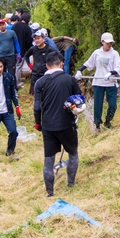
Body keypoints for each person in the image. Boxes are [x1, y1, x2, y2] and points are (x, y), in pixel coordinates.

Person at [34, 51, 83, 197]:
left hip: (48, 126)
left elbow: (37, 107)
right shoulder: (69, 79)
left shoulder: (40, 83)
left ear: (47, 66)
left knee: (48, 159)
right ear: (61, 63)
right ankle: (71, 183)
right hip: (66, 124)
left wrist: (38, 123)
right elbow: (79, 99)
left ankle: (50, 192)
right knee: (73, 153)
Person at [75, 32, 120, 131]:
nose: (109, 45)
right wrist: (79, 70)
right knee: (98, 105)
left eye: (111, 43)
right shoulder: (97, 53)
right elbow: (89, 63)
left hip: (111, 82)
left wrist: (111, 73)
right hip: (98, 82)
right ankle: (97, 125)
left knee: (113, 105)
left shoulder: (114, 54)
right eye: (107, 43)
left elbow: (118, 67)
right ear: (102, 42)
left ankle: (108, 121)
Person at [24, 30, 52, 95]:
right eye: (35, 39)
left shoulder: (49, 49)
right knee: (35, 94)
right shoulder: (33, 49)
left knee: (46, 93)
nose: (36, 40)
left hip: (46, 74)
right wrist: (30, 65)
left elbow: (58, 57)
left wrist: (52, 67)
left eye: (38, 38)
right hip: (35, 73)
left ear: (43, 39)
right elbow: (26, 56)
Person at [13, 13, 32, 88]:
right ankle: (17, 83)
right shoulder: (27, 28)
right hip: (21, 51)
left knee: (12, 67)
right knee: (18, 67)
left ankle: (12, 82)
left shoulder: (15, 25)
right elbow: (29, 42)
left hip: (12, 50)